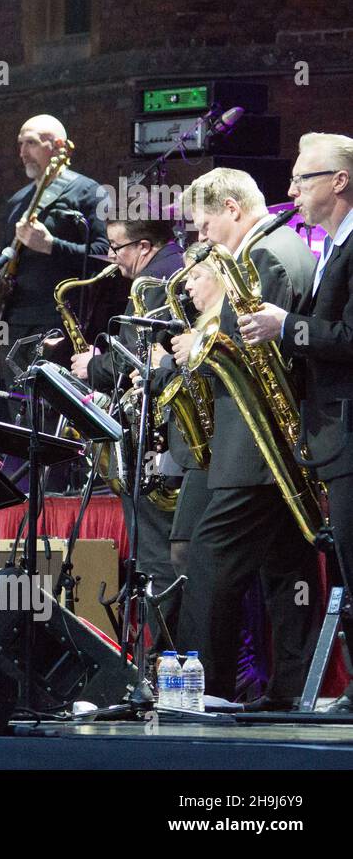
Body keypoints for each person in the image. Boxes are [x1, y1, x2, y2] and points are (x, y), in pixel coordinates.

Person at [170, 168, 320, 709]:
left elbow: (261, 351)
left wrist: (193, 349)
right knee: (288, 575)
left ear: (232, 208)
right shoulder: (279, 246)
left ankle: (198, 693)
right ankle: (290, 696)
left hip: (259, 447)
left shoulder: (266, 255)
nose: (203, 235)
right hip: (271, 446)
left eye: (206, 223)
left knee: (209, 564)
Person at [233, 133, 353, 711]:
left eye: (303, 179)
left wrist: (289, 328)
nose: (291, 191)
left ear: (339, 181)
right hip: (332, 435)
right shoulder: (332, 245)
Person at [69, 216, 185, 645]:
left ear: (143, 246)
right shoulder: (171, 268)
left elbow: (139, 358)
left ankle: (163, 660)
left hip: (157, 442)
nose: (111, 259)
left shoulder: (152, 283)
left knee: (157, 554)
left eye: (116, 249)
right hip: (170, 439)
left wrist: (93, 366)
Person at [0, 114, 113, 355]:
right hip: (15, 322)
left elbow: (106, 257)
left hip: (62, 320)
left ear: (58, 146)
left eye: (31, 143)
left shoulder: (87, 192)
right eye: (20, 144)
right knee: (16, 393)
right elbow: (6, 255)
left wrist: (51, 245)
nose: (23, 152)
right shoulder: (17, 201)